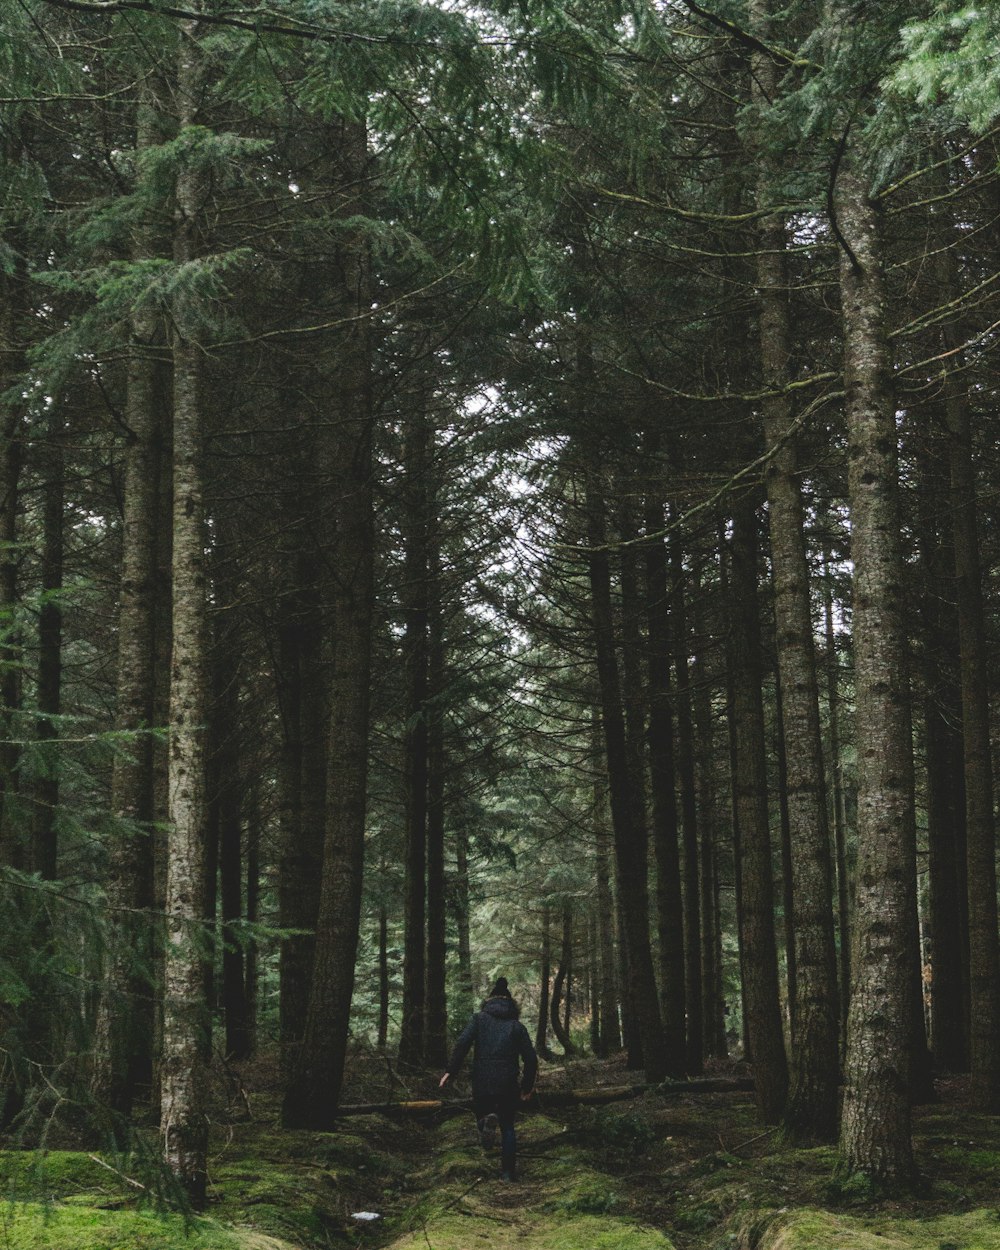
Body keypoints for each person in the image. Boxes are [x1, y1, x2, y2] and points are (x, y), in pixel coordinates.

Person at [439, 976, 537, 1181]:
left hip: (482, 1081)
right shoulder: (516, 1026)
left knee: (482, 1116)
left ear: (489, 1001)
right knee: (508, 1127)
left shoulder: (478, 1019)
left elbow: (462, 1043)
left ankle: (485, 1122)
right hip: (508, 1083)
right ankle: (508, 1174)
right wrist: (526, 1087)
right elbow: (530, 1059)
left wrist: (451, 1071)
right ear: (512, 1005)